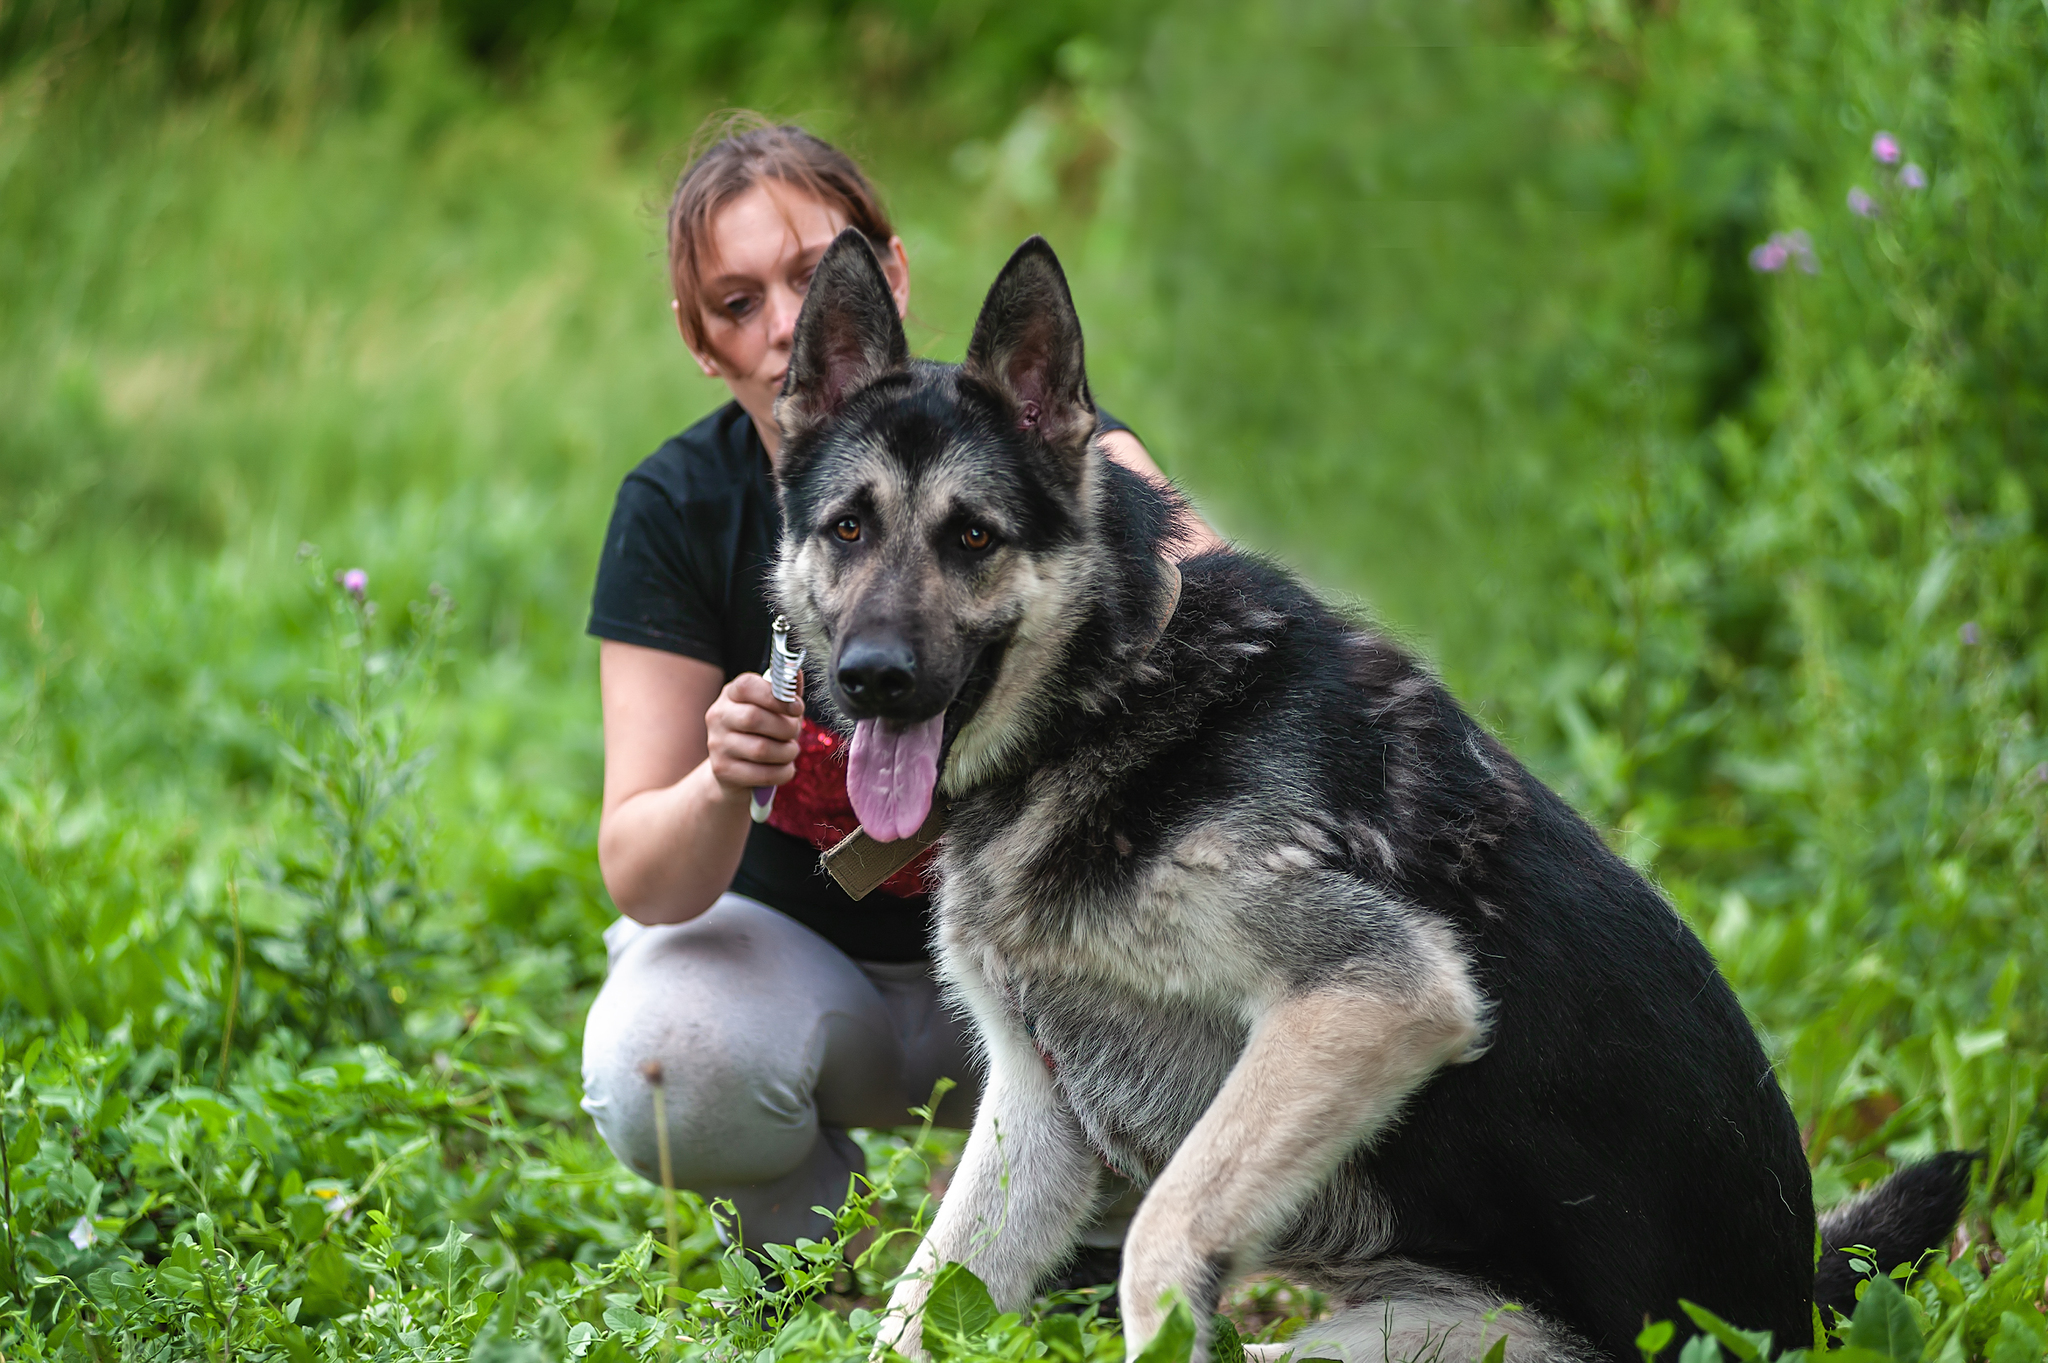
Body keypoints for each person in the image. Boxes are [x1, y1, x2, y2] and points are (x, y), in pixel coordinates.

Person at [578, 113, 1219, 1250]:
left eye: (812, 280)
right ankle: (824, 1256)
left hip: (1044, 973)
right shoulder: (674, 508)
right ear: (698, 338)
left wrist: (1150, 556)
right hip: (814, 982)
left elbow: (1240, 658)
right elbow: (640, 871)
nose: (783, 327)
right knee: (666, 1061)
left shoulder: (1045, 464)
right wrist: (722, 780)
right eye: (737, 302)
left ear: (891, 278)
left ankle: (1091, 1244)